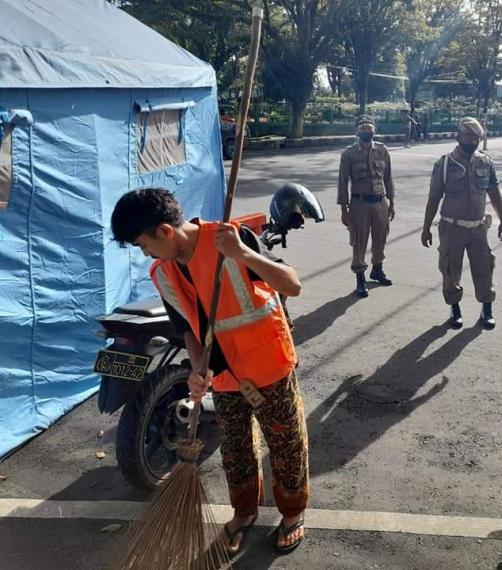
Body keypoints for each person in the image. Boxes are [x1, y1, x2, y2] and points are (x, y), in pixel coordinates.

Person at [110, 188, 309, 558]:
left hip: (268, 364)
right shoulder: (163, 273)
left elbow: (291, 285)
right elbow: (189, 328)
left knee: (286, 444)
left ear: (165, 232)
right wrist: (198, 368)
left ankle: (293, 513)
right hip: (225, 376)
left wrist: (243, 253)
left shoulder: (229, 239)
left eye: (143, 244)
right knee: (236, 450)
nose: (146, 254)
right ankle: (244, 511)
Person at [421, 117, 502, 330]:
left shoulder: (486, 162)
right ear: (458, 136)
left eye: (476, 138)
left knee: (485, 267)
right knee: (451, 269)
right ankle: (455, 308)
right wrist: (426, 228)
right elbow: (434, 197)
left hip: (478, 228)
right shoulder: (444, 164)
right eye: (468, 137)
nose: (472, 142)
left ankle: (486, 309)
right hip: (452, 228)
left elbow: (494, 192)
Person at [337, 115, 395, 297]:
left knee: (381, 237)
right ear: (357, 131)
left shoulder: (382, 150)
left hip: (380, 202)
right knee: (359, 241)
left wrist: (391, 201)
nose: (366, 131)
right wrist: (344, 209)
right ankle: (360, 278)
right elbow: (342, 182)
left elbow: (388, 178)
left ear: (374, 130)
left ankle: (377, 269)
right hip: (359, 203)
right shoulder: (348, 153)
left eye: (369, 128)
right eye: (362, 128)